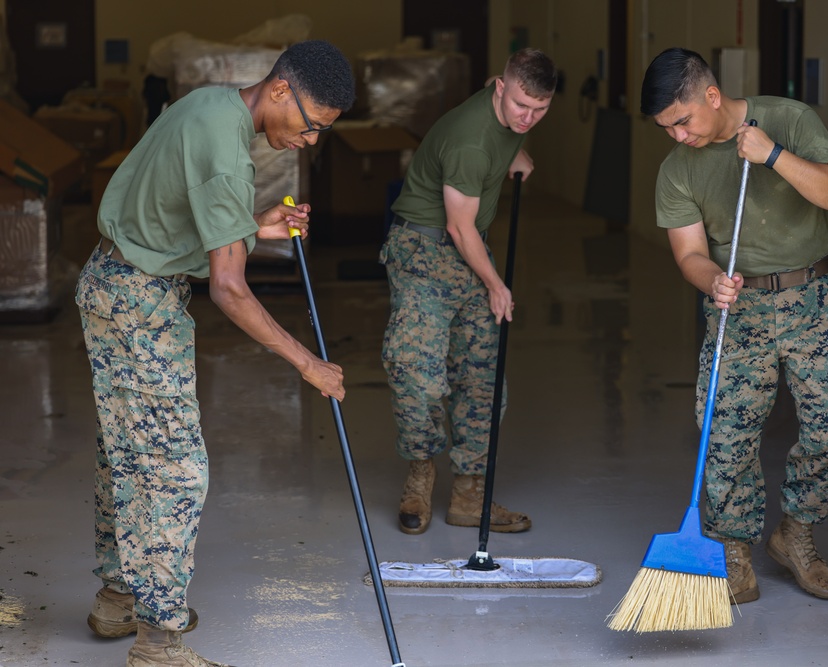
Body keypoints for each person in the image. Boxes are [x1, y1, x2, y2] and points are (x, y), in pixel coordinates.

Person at [75, 40, 355, 666]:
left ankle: (120, 599)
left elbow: (178, 203)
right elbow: (229, 289)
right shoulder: (229, 151)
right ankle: (159, 643)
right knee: (174, 468)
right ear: (281, 90)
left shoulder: (211, 105)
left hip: (117, 282)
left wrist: (256, 224)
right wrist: (307, 362)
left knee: (126, 450)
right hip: (138, 304)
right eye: (312, 126)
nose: (310, 141)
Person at [640, 48, 828, 604]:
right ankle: (734, 549)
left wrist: (773, 156)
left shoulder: (789, 119)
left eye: (682, 121)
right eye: (665, 128)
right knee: (726, 436)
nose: (677, 136)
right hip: (738, 309)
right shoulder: (677, 171)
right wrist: (711, 279)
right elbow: (689, 252)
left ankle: (795, 533)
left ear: (712, 98)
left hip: (816, 299)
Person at [379, 48, 557, 536]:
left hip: (469, 253)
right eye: (521, 105)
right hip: (424, 251)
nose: (528, 117)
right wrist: (497, 285)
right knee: (416, 371)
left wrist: (515, 149)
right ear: (502, 89)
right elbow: (460, 228)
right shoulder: (469, 143)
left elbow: (493, 90)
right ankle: (420, 474)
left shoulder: (501, 102)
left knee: (483, 378)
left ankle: (469, 495)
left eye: (540, 110)